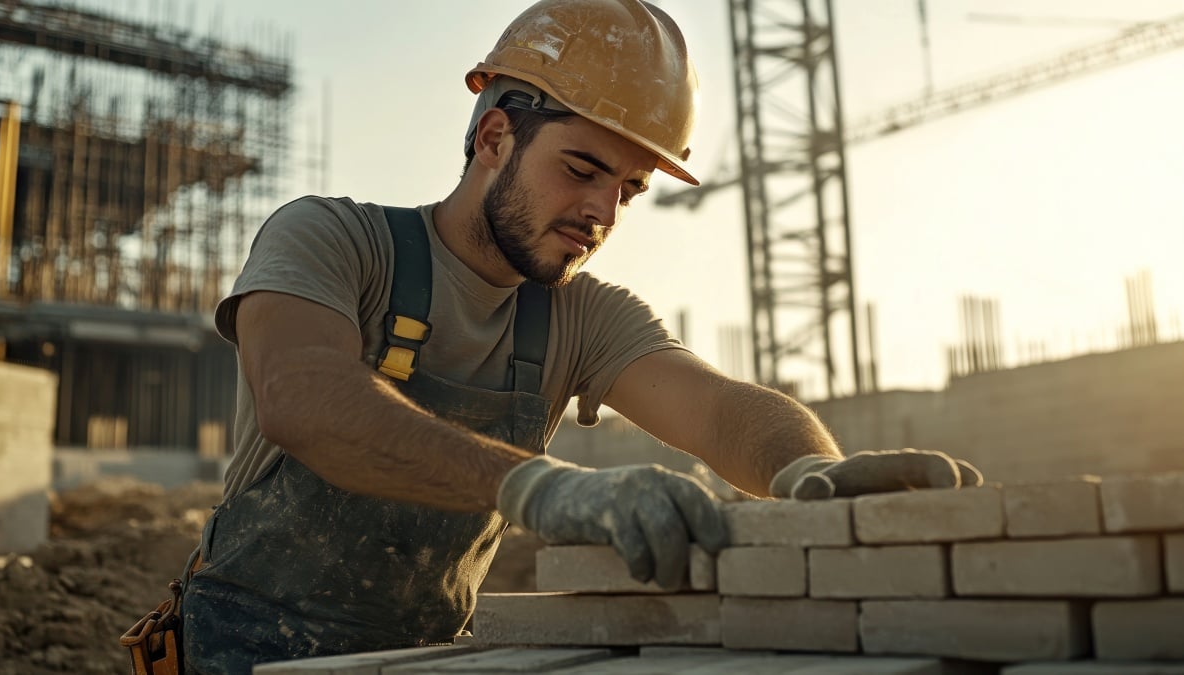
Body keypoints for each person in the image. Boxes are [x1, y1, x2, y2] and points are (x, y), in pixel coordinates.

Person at [177, 1, 982, 673]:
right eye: (582, 168)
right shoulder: (333, 239)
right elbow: (303, 395)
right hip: (245, 651)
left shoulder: (580, 313)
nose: (604, 211)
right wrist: (544, 486)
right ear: (494, 139)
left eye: (629, 189)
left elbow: (724, 409)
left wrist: (811, 472)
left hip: (424, 657)